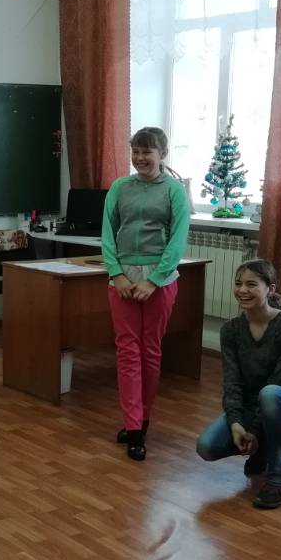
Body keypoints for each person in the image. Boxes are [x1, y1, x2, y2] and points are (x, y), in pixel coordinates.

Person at [100, 126, 190, 461]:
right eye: (135, 151)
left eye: (146, 152)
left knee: (150, 351)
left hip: (159, 281)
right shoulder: (120, 187)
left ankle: (143, 420)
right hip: (122, 279)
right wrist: (117, 274)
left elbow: (178, 240)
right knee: (127, 351)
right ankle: (133, 425)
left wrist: (154, 280)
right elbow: (107, 234)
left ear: (162, 154)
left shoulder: (174, 191)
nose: (139, 158)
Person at [196, 259, 281, 509]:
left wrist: (253, 431)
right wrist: (236, 423)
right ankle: (262, 451)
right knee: (207, 446)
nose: (242, 290)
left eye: (251, 284)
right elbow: (232, 383)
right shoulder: (231, 330)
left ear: (270, 289)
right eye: (238, 283)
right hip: (253, 405)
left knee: (270, 393)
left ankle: (280, 481)